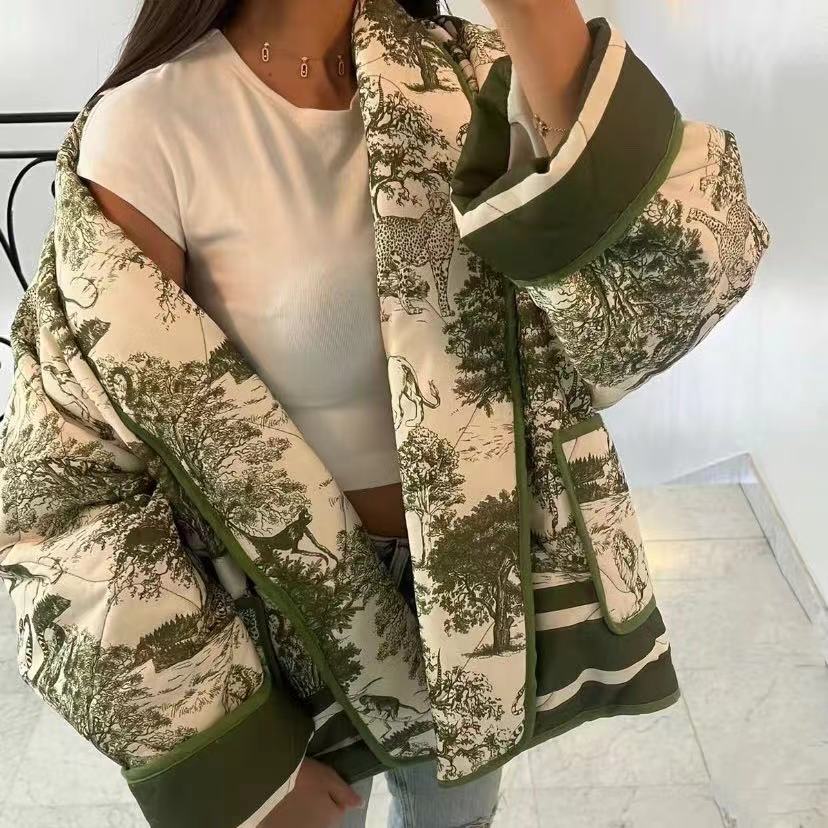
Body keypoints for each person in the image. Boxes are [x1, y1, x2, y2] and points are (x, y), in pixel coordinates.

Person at [75, 1, 595, 825]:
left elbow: (641, 300)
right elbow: (95, 471)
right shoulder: (149, 121)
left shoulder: (472, 74)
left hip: (472, 588)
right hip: (284, 623)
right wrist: (237, 761)